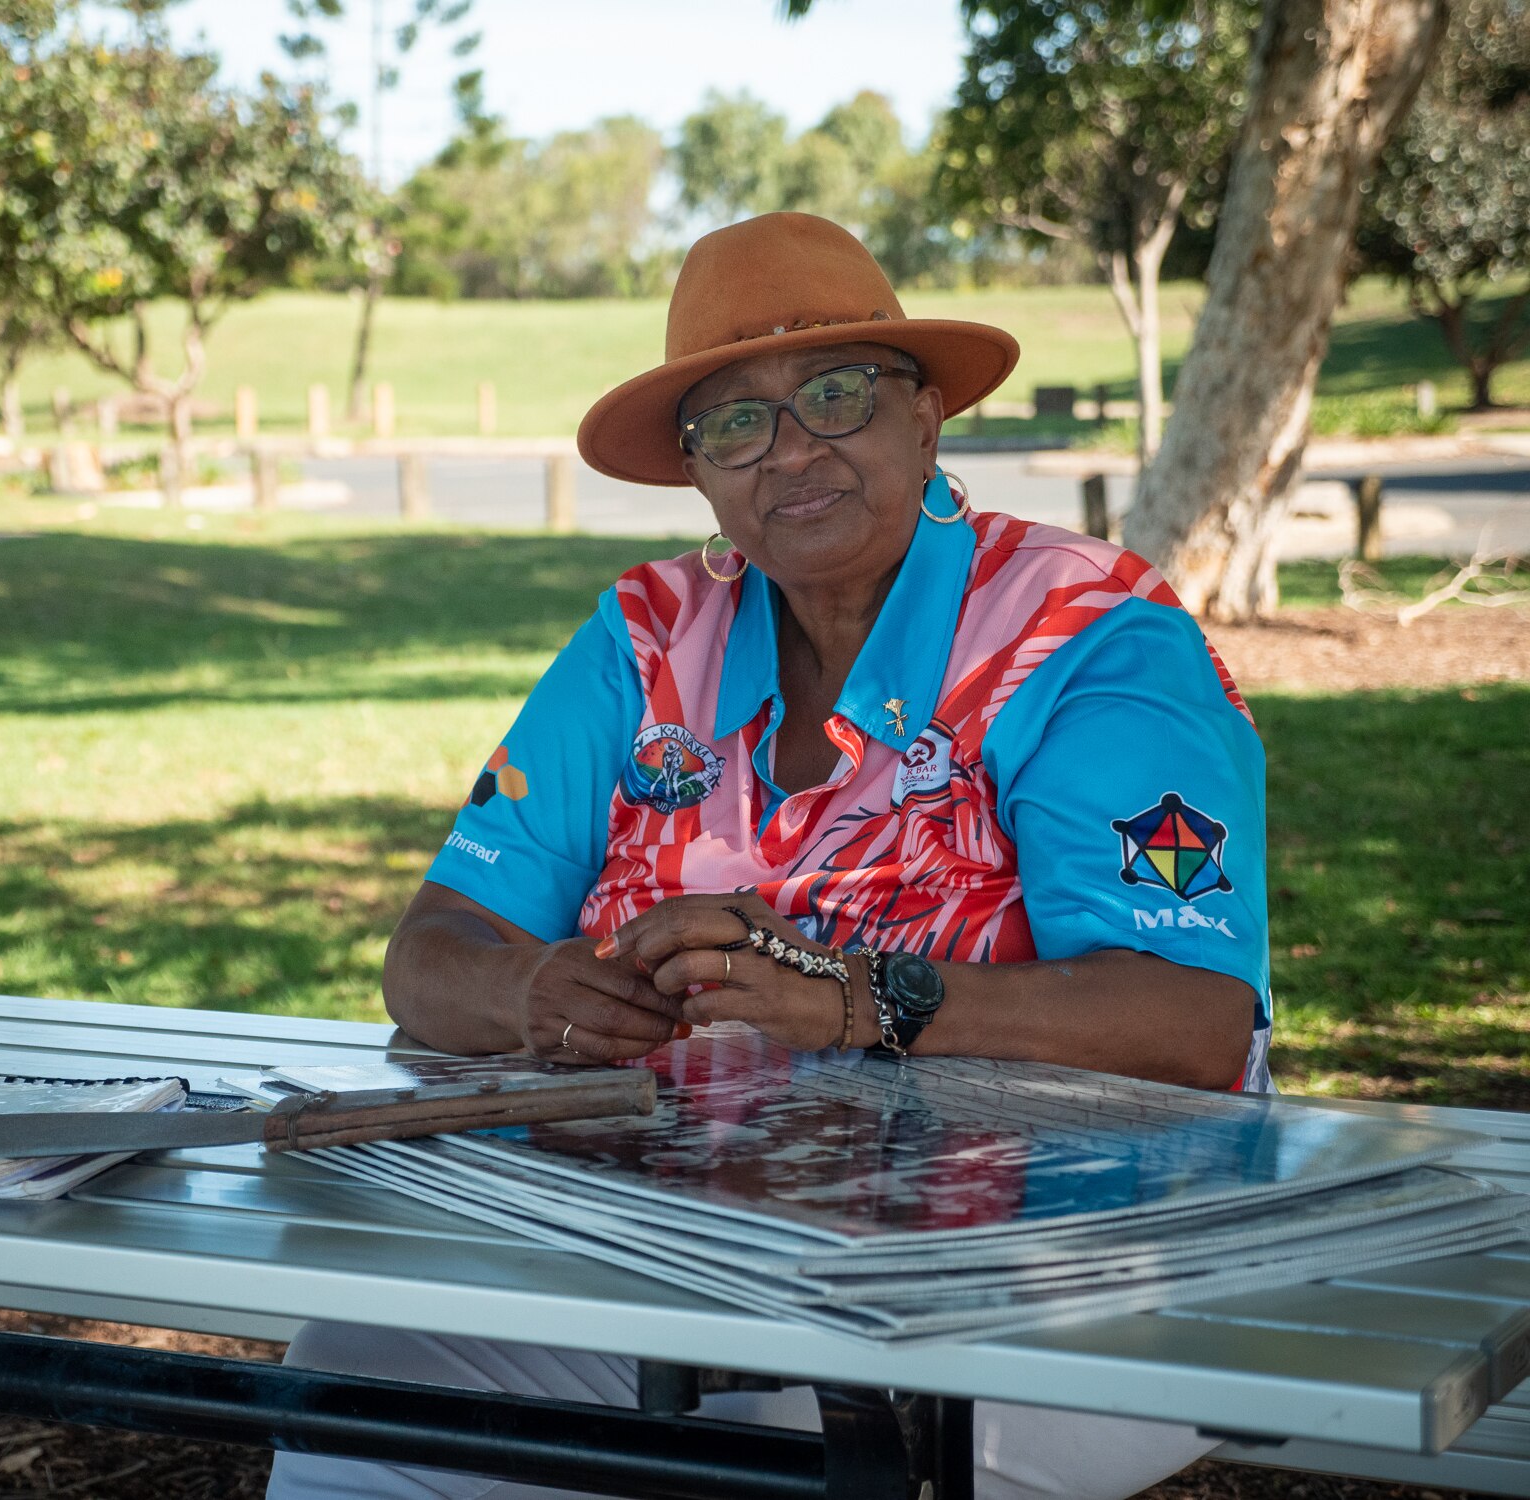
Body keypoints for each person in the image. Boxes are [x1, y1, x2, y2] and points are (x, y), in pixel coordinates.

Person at [266, 212, 1271, 1500]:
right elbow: (431, 956)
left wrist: (854, 999)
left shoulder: (1089, 640)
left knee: (780, 1461)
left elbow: (1186, 1022)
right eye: (734, 421)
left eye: (835, 394)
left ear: (926, 418)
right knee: (357, 1377)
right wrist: (537, 993)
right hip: (685, 1260)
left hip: (1060, 1283)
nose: (791, 451)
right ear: (699, 472)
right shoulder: (646, 642)